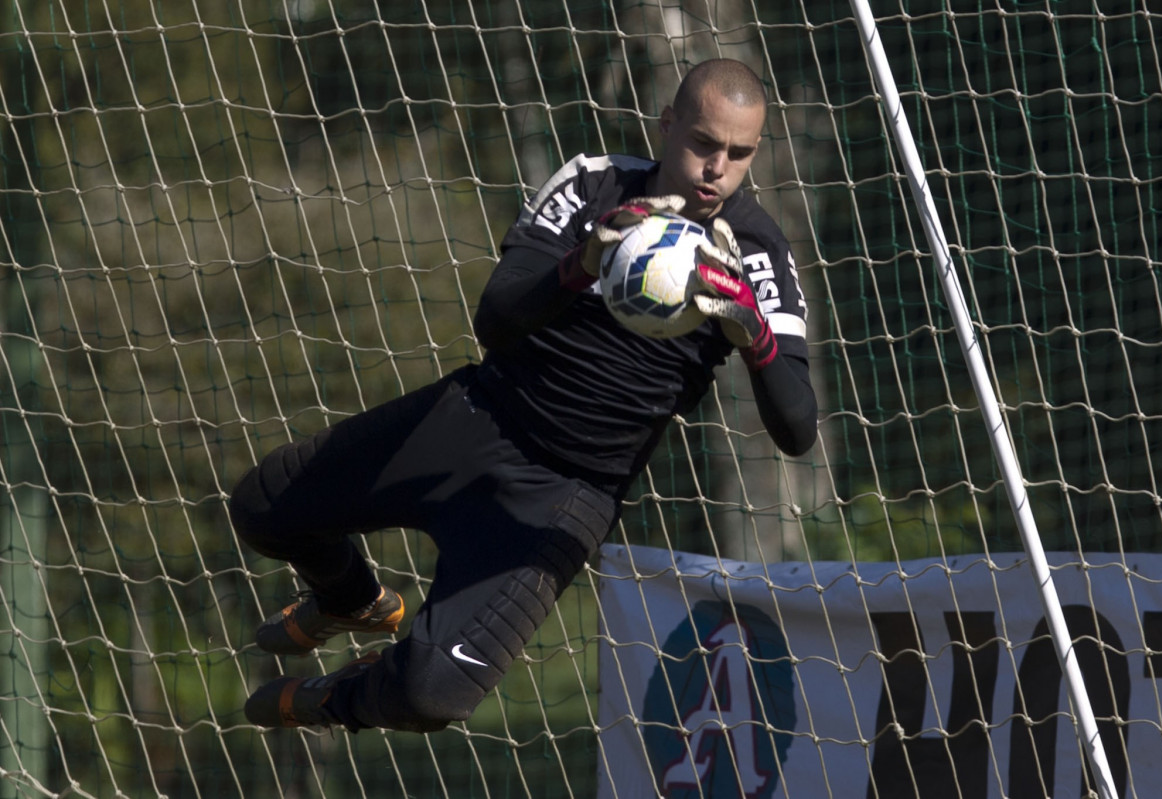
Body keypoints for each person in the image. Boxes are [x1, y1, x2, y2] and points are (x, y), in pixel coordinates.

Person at [234, 57, 818, 732]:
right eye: (703, 143)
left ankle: (337, 694)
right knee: (262, 507)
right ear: (667, 125)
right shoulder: (595, 186)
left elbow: (798, 428)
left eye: (739, 153)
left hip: (564, 493)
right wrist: (581, 265)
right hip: (478, 416)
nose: (717, 167)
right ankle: (351, 599)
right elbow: (496, 317)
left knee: (429, 699)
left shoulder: (756, 253)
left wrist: (757, 338)